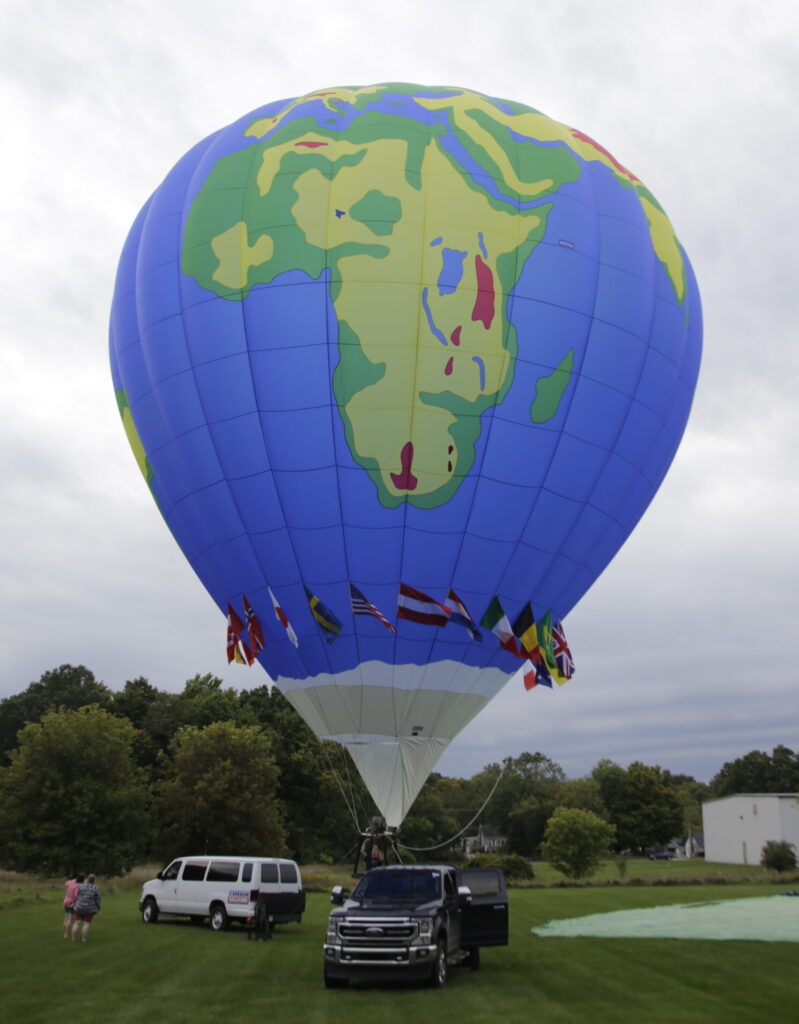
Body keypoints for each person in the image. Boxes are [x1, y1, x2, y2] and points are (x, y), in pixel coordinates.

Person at [71, 874, 101, 943]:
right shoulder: (95, 888)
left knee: (77, 923)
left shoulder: (81, 886)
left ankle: (73, 938)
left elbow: (77, 895)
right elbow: (97, 900)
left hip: (79, 907)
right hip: (90, 909)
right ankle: (84, 939)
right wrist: (98, 907)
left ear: (87, 879)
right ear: (94, 880)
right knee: (86, 923)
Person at [63, 873, 84, 938]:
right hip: (72, 903)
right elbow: (76, 895)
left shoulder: (70, 882)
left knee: (66, 918)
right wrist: (74, 903)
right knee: (70, 919)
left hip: (66, 901)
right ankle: (66, 934)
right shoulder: (79, 885)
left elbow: (65, 884)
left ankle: (65, 933)